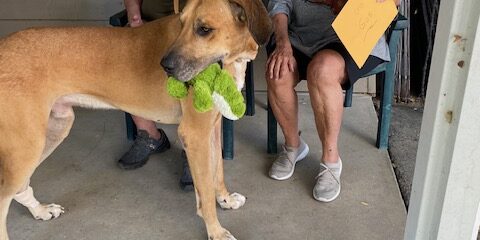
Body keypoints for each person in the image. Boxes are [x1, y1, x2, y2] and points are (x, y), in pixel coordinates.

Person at [266, 0, 400, 202]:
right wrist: (282, 42)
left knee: (322, 71)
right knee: (278, 73)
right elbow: (279, 3)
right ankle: (293, 146)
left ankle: (331, 161)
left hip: (351, 36)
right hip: (299, 36)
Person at [118, 0, 193, 190]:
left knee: (200, 74)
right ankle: (150, 136)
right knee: (127, 63)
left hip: (194, 32)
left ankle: (193, 148)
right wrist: (134, 16)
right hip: (150, 27)